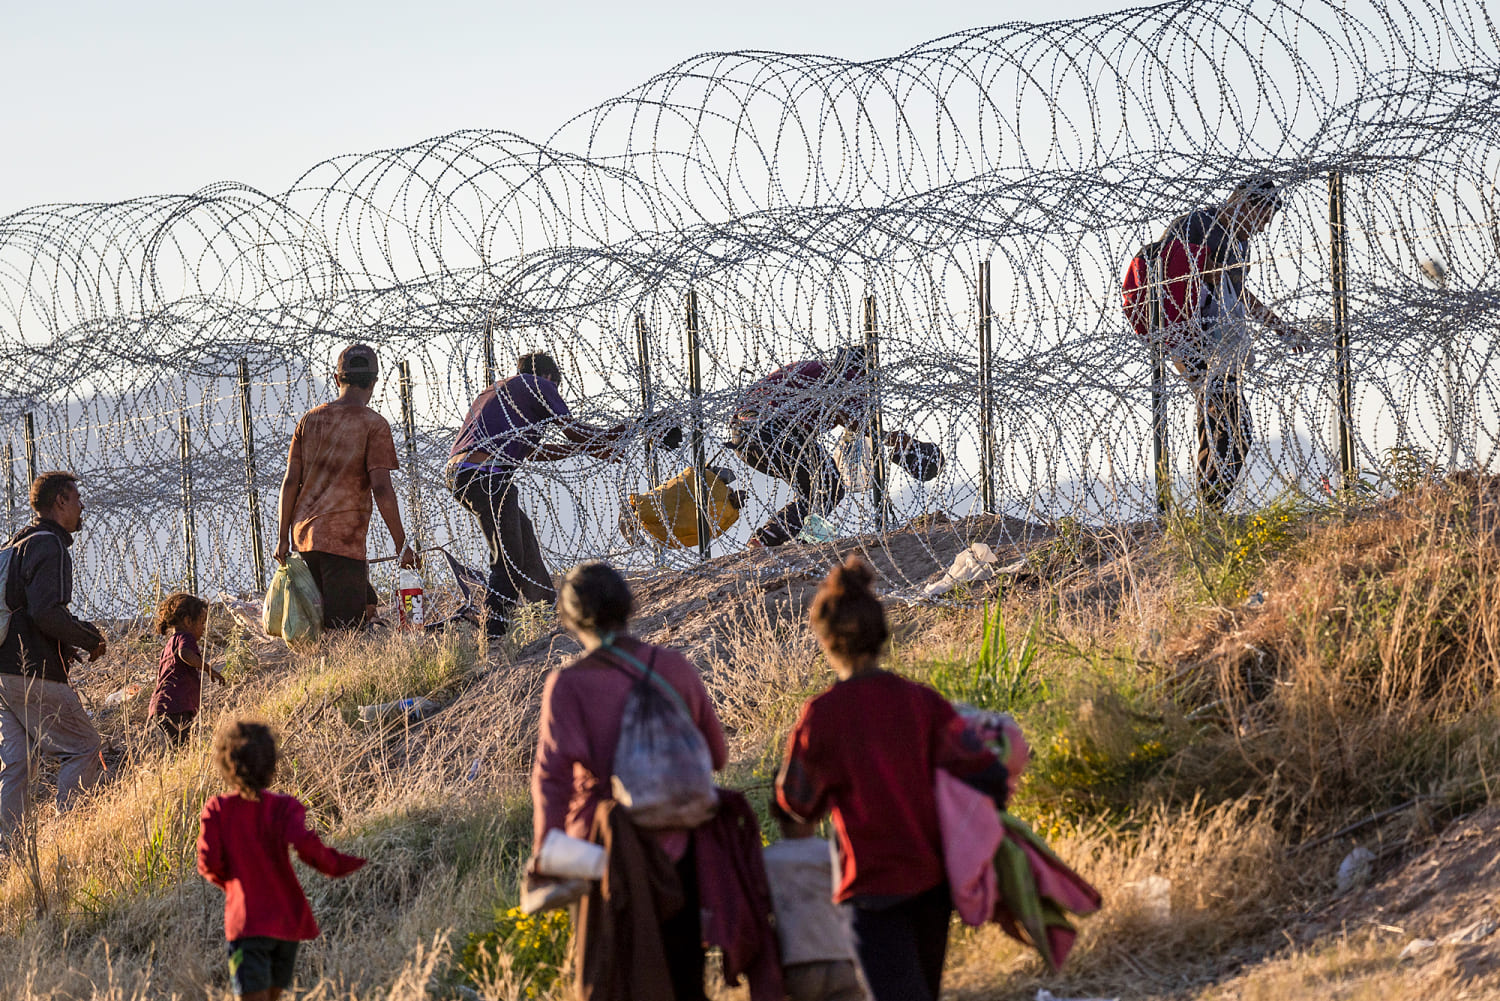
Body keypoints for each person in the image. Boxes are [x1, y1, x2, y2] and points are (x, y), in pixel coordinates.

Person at [776, 556, 1008, 1001]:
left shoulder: (821, 716)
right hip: (931, 884)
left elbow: (797, 802)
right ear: (882, 635)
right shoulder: (921, 702)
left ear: (824, 642)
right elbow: (987, 774)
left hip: (870, 888)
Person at [531, 561, 728, 1000]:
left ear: (570, 618)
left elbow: (553, 778)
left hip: (607, 859)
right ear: (627, 606)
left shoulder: (568, 685)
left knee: (616, 980)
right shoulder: (674, 667)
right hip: (682, 851)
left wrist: (547, 852)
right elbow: (717, 755)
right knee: (684, 982)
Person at [448, 353, 632, 639]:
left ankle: (544, 611)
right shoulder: (539, 384)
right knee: (508, 556)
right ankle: (493, 635)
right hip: (487, 475)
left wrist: (592, 447)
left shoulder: (501, 392)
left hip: (465, 472)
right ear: (550, 378)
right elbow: (572, 430)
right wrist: (616, 435)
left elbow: (536, 453)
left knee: (522, 534)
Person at [1154, 179, 1309, 508]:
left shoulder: (1239, 244)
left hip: (1220, 344)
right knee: (1228, 421)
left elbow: (1236, 294)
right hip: (1191, 338)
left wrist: (1279, 327)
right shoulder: (1197, 226)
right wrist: (1188, 332)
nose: (1260, 229)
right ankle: (1210, 507)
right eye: (1260, 218)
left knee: (1224, 421)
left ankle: (1210, 506)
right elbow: (1169, 279)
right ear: (1240, 201)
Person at [197, 720, 366, 1001]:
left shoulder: (218, 810)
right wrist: (352, 863)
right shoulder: (285, 807)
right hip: (287, 923)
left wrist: (234, 885)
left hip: (246, 925)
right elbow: (312, 852)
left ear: (227, 764)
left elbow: (209, 864)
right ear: (272, 763)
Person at [274, 344, 419, 630]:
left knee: (322, 626)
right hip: (343, 543)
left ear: (337, 379)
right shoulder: (373, 425)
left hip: (304, 540)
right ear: (375, 382)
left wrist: (281, 537)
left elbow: (290, 481)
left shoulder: (309, 420)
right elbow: (381, 488)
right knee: (344, 634)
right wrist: (401, 544)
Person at [0, 471, 108, 844]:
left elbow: (23, 609)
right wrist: (88, 638)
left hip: (3, 673)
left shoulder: (16, 543)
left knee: (18, 763)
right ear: (60, 501)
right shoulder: (50, 546)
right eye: (77, 499)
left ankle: (9, 853)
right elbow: (45, 613)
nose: (82, 508)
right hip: (33, 671)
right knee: (83, 747)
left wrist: (68, 642)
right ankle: (70, 841)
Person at [729, 346, 913, 548]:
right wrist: (890, 438)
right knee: (830, 488)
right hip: (774, 431)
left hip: (743, 436)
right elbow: (854, 421)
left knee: (816, 487)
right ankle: (772, 536)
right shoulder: (847, 378)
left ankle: (780, 538)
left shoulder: (813, 370)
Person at [763, 798, 868, 1001]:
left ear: (774, 812)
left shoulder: (767, 860)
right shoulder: (832, 855)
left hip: (797, 964)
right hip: (841, 959)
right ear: (820, 814)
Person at [147, 593, 224, 744]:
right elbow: (185, 653)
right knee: (182, 748)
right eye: (202, 623)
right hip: (175, 707)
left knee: (177, 747)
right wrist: (208, 669)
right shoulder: (185, 638)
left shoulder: (170, 643)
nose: (203, 628)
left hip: (161, 706)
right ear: (188, 621)